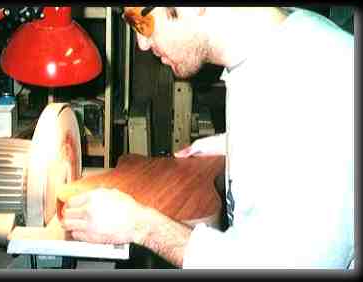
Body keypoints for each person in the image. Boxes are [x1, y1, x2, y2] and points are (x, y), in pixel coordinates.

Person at [61, 7, 354, 269]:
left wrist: (140, 226)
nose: (142, 43)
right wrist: (233, 143)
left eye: (142, 21)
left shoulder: (317, 80)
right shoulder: (283, 43)